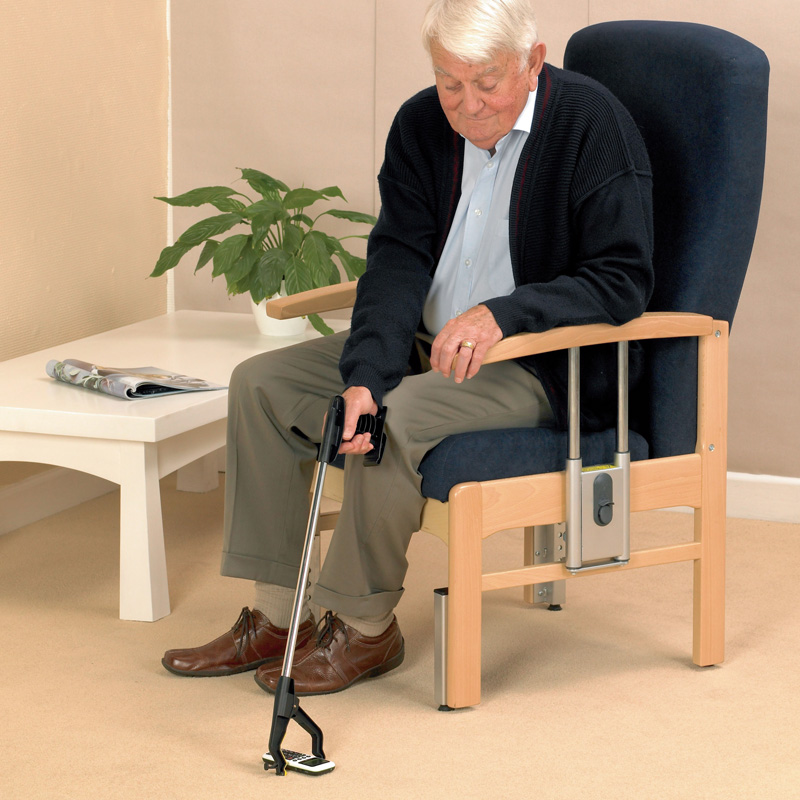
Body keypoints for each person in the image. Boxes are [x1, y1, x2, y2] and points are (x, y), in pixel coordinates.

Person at [162, 0, 654, 696]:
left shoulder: (593, 126)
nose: (467, 103)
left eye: (486, 82)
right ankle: (279, 618)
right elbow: (395, 260)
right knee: (262, 385)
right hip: (427, 344)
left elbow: (623, 280)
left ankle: (365, 629)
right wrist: (367, 372)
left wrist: (503, 316)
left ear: (534, 60)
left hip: (541, 365)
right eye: (449, 82)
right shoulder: (423, 123)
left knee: (401, 416)